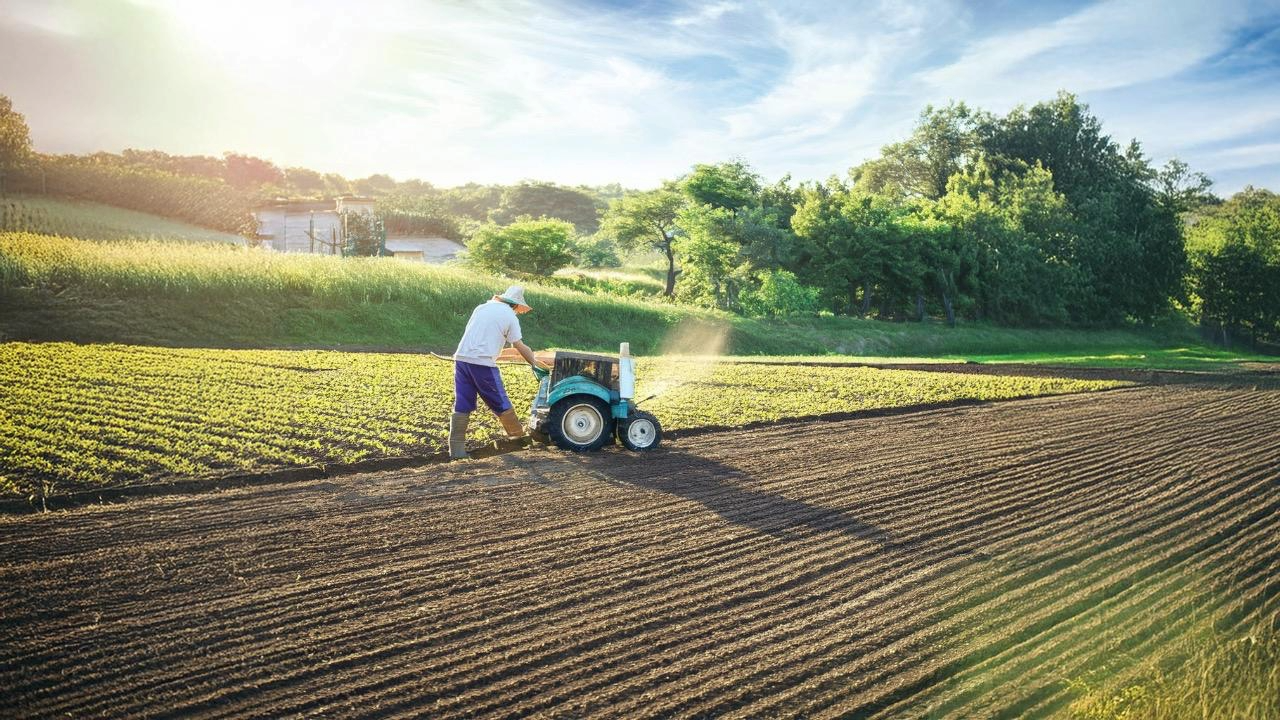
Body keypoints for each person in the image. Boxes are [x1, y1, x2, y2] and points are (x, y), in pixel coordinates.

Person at [449, 285, 544, 460]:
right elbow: (519, 345)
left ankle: (457, 452)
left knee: (462, 402)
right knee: (500, 400)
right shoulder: (509, 316)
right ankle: (519, 440)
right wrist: (534, 363)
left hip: (461, 359)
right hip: (482, 363)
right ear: (515, 305)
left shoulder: (481, 308)